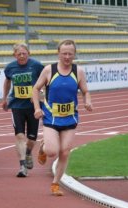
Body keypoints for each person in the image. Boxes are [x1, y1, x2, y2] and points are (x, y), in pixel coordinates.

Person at [32, 40, 93, 196]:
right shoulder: (49, 70)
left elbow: (85, 90)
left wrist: (88, 101)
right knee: (53, 151)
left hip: (69, 117)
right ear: (58, 53)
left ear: (74, 54)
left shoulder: (78, 71)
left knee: (65, 152)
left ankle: (55, 184)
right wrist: (37, 108)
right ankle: (44, 147)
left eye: (70, 54)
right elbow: (36, 89)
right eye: (64, 53)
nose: (67, 57)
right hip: (51, 117)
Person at [2, 43, 44, 177]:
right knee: (20, 136)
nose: (21, 56)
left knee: (31, 140)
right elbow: (7, 81)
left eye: (24, 53)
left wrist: (40, 94)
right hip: (17, 106)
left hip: (33, 107)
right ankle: (22, 166)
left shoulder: (37, 66)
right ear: (14, 55)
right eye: (18, 54)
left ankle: (27, 153)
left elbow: (45, 81)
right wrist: (4, 98)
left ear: (29, 53)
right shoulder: (10, 68)